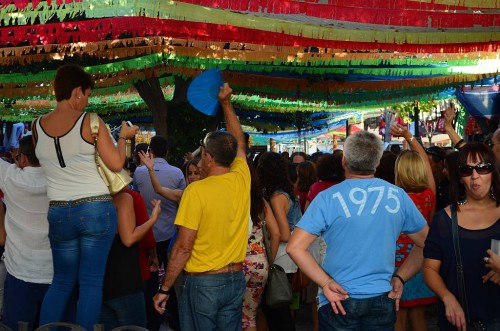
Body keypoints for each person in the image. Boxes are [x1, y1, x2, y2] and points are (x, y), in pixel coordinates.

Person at [287, 131, 429, 330]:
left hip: (339, 298)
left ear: (344, 160)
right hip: (381, 297)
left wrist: (325, 282)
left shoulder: (327, 198)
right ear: (377, 162)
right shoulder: (398, 196)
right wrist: (400, 276)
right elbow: (427, 244)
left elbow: (295, 247)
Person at [32, 64, 138, 330]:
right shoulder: (90, 121)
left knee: (61, 282)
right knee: (91, 282)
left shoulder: (36, 126)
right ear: (77, 91)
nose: (87, 100)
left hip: (58, 211)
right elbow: (116, 163)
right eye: (87, 94)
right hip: (95, 209)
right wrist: (123, 139)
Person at [153, 83, 250, 331]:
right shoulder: (241, 178)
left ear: (207, 157)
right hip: (235, 278)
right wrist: (227, 104)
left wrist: (164, 289)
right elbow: (238, 142)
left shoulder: (196, 191)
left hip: (205, 283)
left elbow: (184, 247)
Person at [423, 142, 500, 330]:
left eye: (483, 168)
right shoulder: (444, 220)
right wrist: (446, 297)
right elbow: (429, 269)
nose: (475, 176)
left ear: (493, 172)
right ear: (459, 176)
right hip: (458, 322)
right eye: (467, 170)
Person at [133, 135, 185, 331]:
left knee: (150, 278)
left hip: (147, 232)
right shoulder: (178, 173)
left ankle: (152, 319)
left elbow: (137, 197)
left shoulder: (139, 172)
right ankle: (172, 317)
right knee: (171, 277)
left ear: (150, 152)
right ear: (168, 151)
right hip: (171, 233)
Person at [0, 136, 51, 329]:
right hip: (55, 274)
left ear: (22, 158)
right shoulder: (60, 178)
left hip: (20, 271)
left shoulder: (9, 176)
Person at [390, 124, 437, 331]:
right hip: (420, 262)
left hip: (397, 266)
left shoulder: (394, 199)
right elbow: (425, 162)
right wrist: (410, 137)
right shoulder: (429, 195)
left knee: (397, 317)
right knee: (419, 317)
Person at [100, 190, 161, 329]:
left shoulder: (84, 198)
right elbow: (130, 239)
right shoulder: (126, 197)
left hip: (96, 282)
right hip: (125, 280)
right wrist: (153, 219)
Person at [257, 151, 302, 331]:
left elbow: (283, 234)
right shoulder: (286, 193)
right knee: (278, 310)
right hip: (287, 258)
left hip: (279, 258)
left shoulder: (276, 197)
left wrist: (263, 234)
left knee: (277, 311)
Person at [242, 159, 280, 331]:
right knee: (250, 318)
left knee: (231, 316)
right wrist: (268, 259)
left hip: (236, 264)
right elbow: (276, 233)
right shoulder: (260, 202)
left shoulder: (232, 200)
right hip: (260, 264)